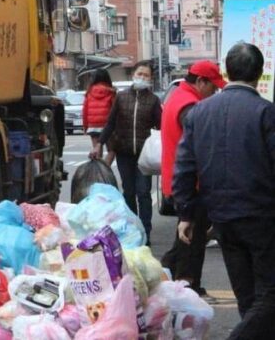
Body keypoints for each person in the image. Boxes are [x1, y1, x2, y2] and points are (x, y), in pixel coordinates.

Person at [174, 43, 275, 339]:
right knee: (269, 292)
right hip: (261, 216)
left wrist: (186, 214)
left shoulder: (199, 113)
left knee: (246, 293)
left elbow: (185, 167)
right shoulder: (265, 112)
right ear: (259, 73)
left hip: (221, 217)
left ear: (227, 72)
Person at [159, 61, 224, 297]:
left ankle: (164, 274)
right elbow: (199, 149)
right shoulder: (190, 107)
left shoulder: (177, 98)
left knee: (186, 236)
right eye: (212, 87)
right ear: (200, 81)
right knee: (192, 240)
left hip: (178, 180)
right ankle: (188, 287)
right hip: (190, 183)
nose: (214, 92)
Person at [93, 60, 161, 243]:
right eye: (140, 74)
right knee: (128, 191)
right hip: (124, 153)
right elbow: (110, 122)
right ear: (133, 75)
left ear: (151, 79)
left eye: (146, 75)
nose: (142, 77)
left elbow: (161, 127)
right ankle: (133, 229)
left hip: (144, 156)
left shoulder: (153, 100)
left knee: (143, 192)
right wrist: (100, 143)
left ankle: (146, 231)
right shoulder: (121, 97)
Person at [82, 69, 116, 148]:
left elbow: (85, 111)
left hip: (93, 126)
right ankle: (107, 161)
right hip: (107, 126)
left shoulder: (89, 92)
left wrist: (85, 126)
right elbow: (115, 110)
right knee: (111, 150)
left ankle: (97, 160)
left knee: (97, 149)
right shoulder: (111, 92)